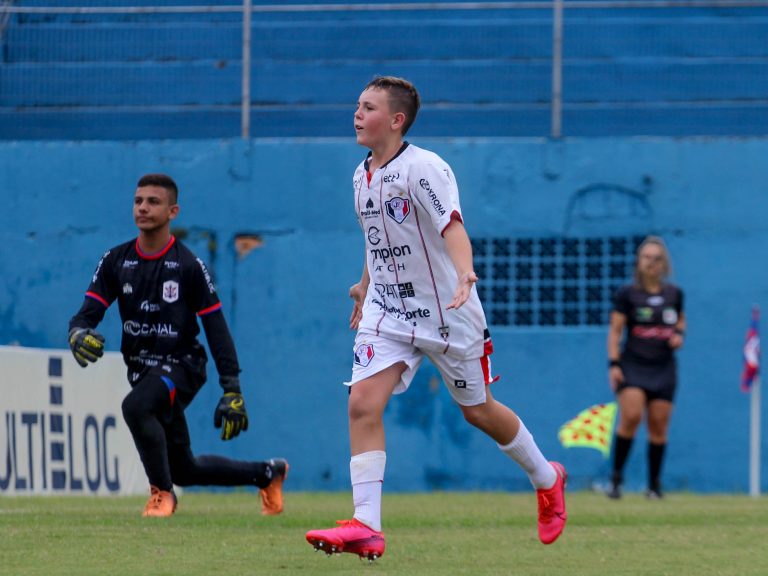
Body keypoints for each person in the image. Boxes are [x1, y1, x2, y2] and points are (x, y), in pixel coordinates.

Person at [305, 76, 567, 562]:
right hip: (387, 310)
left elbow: (452, 225)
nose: (357, 114)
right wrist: (365, 283)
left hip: (446, 315)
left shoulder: (425, 168)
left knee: (478, 411)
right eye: (357, 105)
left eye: (368, 107)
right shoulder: (360, 175)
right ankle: (367, 525)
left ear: (396, 119)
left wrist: (465, 273)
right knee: (362, 403)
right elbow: (377, 236)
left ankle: (547, 480)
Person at [68, 173, 288, 517]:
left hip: (183, 365)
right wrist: (78, 332)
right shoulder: (115, 261)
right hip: (142, 369)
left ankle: (162, 495)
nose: (143, 207)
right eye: (138, 201)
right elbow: (87, 314)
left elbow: (216, 328)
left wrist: (232, 388)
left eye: (153, 202)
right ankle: (267, 472)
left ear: (173, 211)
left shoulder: (188, 266)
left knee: (136, 407)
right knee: (184, 467)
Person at [606, 236, 685, 499]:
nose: (652, 262)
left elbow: (681, 324)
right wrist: (614, 364)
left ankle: (654, 486)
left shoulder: (674, 294)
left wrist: (678, 336)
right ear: (639, 261)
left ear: (665, 263)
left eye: (657, 258)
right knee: (631, 417)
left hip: (663, 368)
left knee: (659, 425)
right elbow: (615, 332)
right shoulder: (628, 294)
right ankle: (616, 480)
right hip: (633, 366)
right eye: (647, 257)